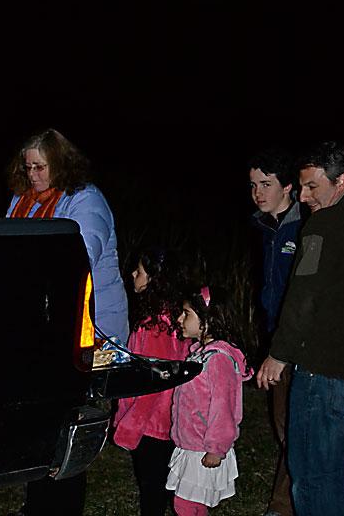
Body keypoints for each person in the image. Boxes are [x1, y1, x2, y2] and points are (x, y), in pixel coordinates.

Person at [257, 140, 344, 516]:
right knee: (337, 469)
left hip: (323, 371)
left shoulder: (324, 224)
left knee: (311, 475)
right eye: (301, 186)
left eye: (313, 186)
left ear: (340, 181)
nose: (304, 195)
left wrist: (278, 355)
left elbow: (303, 295)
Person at [6, 127, 129, 516]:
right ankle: (38, 503)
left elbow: (76, 261)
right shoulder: (22, 200)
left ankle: (62, 506)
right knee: (41, 421)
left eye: (40, 167)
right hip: (40, 329)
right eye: (27, 168)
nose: (33, 175)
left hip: (90, 328)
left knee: (73, 423)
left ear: (60, 164)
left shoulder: (85, 201)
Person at [113, 247, 191, 516]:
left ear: (155, 279)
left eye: (139, 271)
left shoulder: (156, 326)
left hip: (152, 426)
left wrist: (129, 427)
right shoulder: (170, 319)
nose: (133, 274)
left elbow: (153, 384)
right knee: (158, 487)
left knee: (152, 490)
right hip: (164, 423)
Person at [249, 147, 305, 516]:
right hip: (274, 338)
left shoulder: (305, 227)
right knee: (285, 426)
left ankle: (284, 505)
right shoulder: (261, 226)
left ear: (288, 187)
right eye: (253, 185)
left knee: (296, 430)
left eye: (265, 184)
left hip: (299, 345)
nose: (257, 192)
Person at [166, 285, 254, 516]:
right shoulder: (199, 354)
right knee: (191, 504)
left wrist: (217, 447)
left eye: (187, 314)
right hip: (191, 444)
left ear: (207, 319)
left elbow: (224, 407)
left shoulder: (217, 360)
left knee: (186, 505)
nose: (179, 318)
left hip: (203, 446)